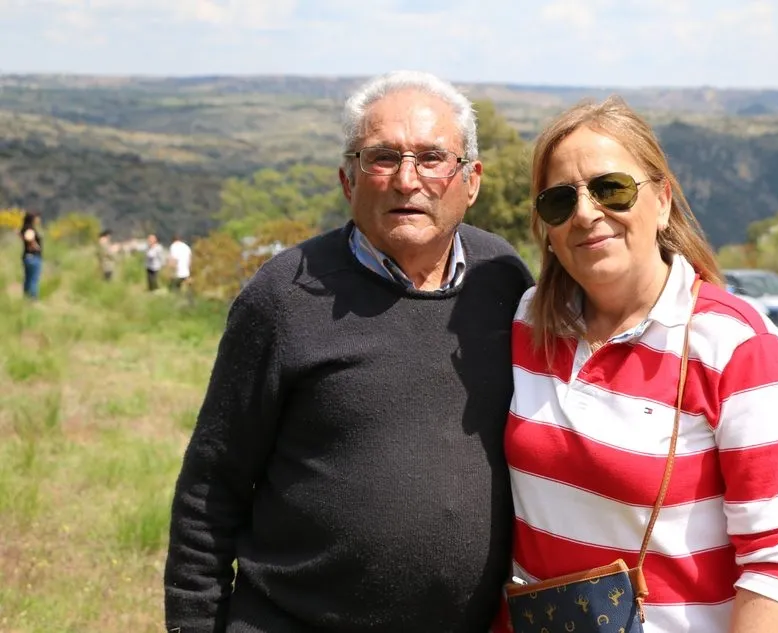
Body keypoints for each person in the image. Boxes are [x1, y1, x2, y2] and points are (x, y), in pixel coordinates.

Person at [164, 70, 534, 633]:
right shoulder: (284, 295)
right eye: (382, 157)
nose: (407, 180)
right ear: (348, 179)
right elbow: (212, 484)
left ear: (471, 180)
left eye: (432, 158)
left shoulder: (502, 278)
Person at [503, 96, 778, 633]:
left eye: (611, 188)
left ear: (663, 201)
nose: (585, 214)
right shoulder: (529, 321)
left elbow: (772, 561)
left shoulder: (735, 345)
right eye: (559, 201)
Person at [20, 210, 43, 300]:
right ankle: (33, 299)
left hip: (27, 257)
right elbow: (29, 238)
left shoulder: (24, 228)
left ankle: (26, 298)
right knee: (33, 279)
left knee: (28, 279)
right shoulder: (30, 229)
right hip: (33, 257)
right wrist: (36, 246)